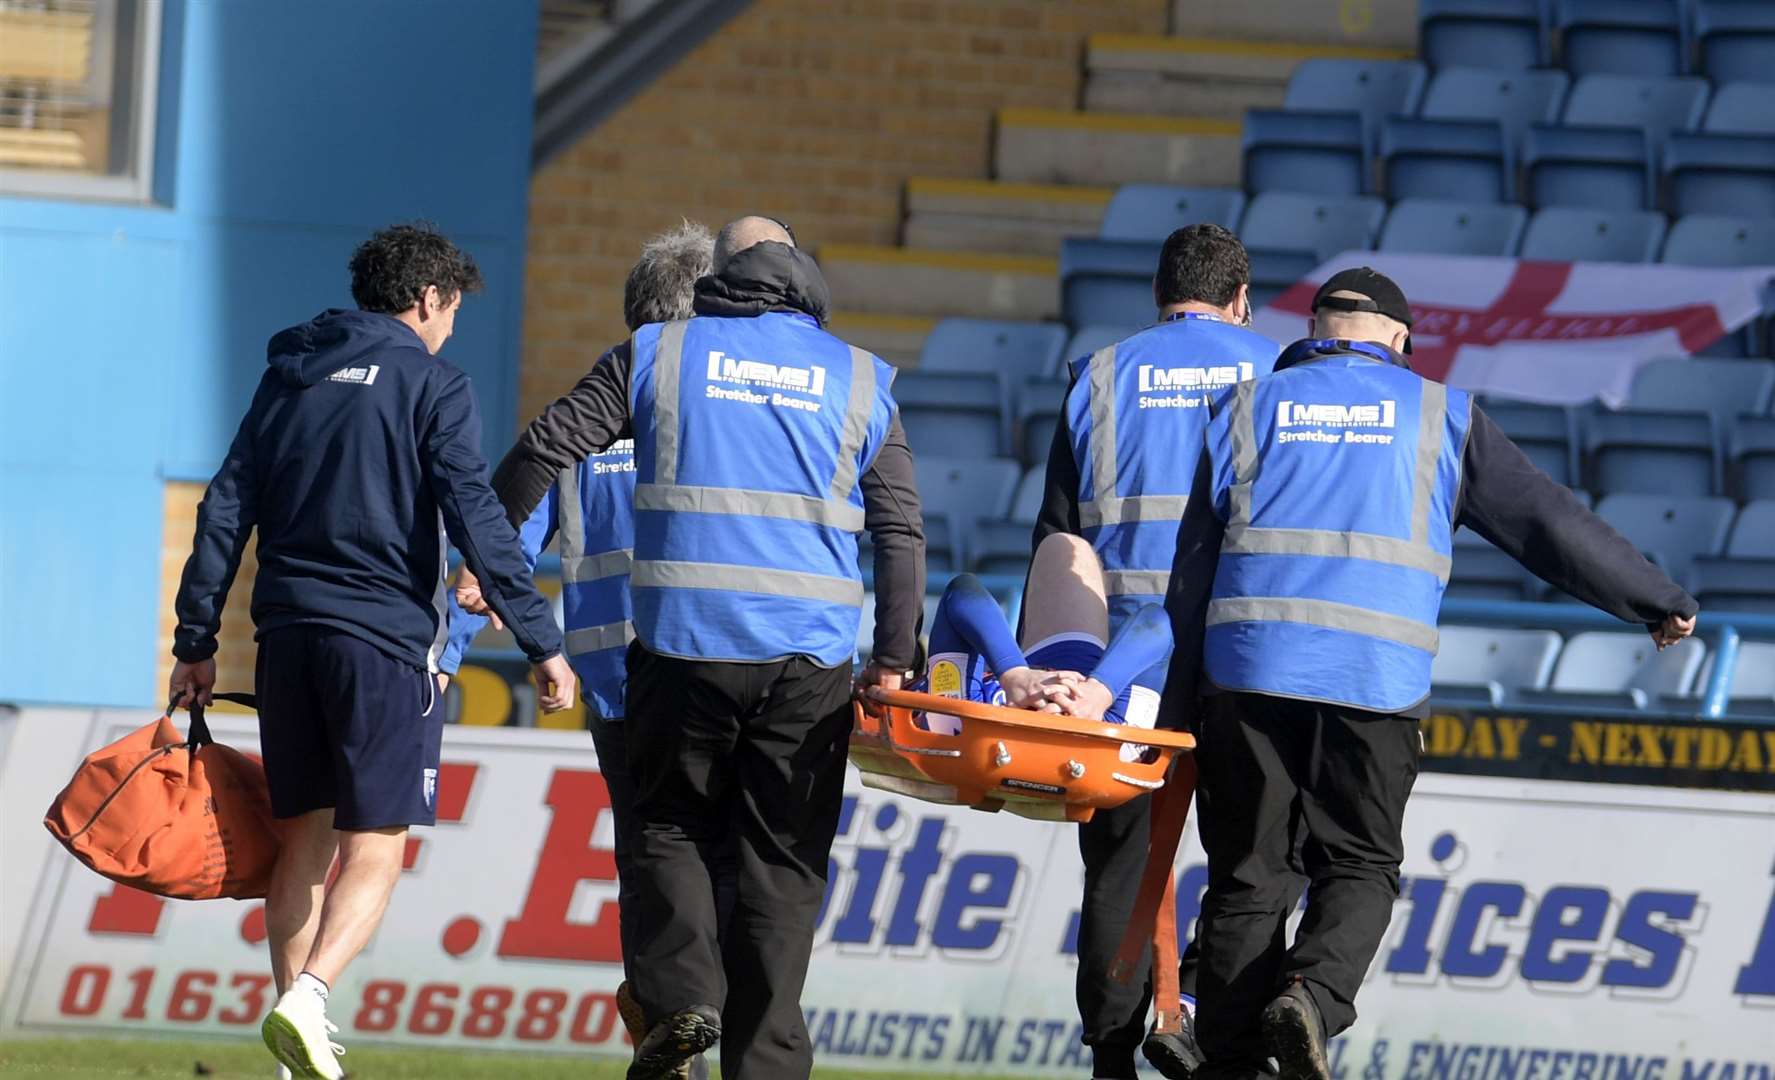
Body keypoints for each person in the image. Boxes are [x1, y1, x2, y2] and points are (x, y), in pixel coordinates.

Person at [1160, 267, 1700, 1079]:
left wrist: (1170, 693)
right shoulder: (1438, 414)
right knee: (1359, 862)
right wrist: (1650, 597)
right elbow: (1543, 522)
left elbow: (1187, 568)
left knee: (1248, 876)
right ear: (1400, 340)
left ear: (1313, 330)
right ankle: (1310, 996)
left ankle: (1228, 1061)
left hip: (1245, 674)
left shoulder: (1242, 408)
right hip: (1373, 682)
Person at [472, 216, 925, 1080]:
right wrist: (893, 659)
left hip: (683, 649)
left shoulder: (658, 354)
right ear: (804, 283)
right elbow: (900, 527)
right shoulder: (861, 377)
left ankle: (682, 1005)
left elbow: (544, 448)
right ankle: (767, 1062)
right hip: (810, 664)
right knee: (781, 866)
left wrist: (488, 557)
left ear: (719, 277)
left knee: (669, 830)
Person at [167, 223, 575, 1080]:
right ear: (428, 299)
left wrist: (196, 640)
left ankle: (293, 1051)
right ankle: (310, 998)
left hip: (284, 638)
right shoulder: (434, 383)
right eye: (452, 310)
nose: (451, 327)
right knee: (377, 843)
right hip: (383, 644)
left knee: (304, 839)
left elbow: (223, 509)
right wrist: (540, 640)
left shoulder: (289, 375)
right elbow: (476, 513)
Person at [445, 219, 718, 1080]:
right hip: (719, 671)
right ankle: (693, 1020)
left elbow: (491, 562)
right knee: (724, 860)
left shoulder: (572, 432)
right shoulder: (728, 422)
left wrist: (440, 660)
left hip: (615, 688)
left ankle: (666, 1019)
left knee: (649, 856)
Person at [1033, 223, 1280, 1080]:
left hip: (1127, 658)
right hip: (1239, 648)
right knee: (1252, 848)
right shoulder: (1275, 370)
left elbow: (1058, 543)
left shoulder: (1099, 375)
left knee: (1122, 860)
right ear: (1240, 299)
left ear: (1158, 295)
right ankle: (1207, 1023)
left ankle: (1110, 1056)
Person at [914, 534, 1172, 733]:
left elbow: (961, 592)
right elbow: (1157, 623)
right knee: (1066, 547)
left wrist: (1015, 675)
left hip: (1024, 689)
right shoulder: (1116, 733)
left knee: (1061, 545)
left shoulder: (957, 727)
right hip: (1082, 695)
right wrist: (1100, 690)